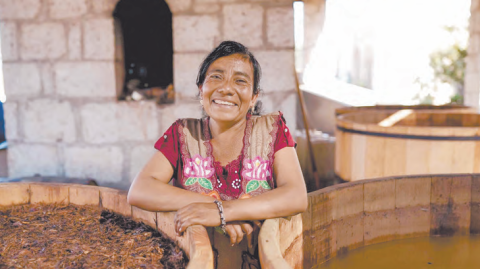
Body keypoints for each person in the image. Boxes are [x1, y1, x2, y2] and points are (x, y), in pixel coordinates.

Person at [127, 41, 308, 249]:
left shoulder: (273, 131)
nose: (226, 88)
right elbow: (140, 190)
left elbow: (296, 195)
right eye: (216, 77)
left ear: (253, 98)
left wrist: (225, 212)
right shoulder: (182, 134)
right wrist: (214, 206)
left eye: (240, 81)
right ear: (201, 89)